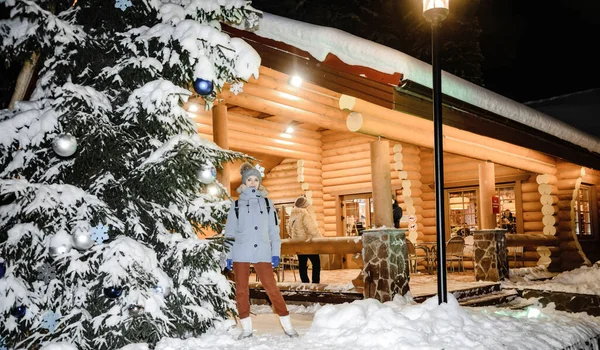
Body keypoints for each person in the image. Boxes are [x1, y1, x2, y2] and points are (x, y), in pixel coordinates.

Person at [224, 162, 298, 339]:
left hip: (263, 251)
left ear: (259, 182)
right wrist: (228, 254)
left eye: (255, 179)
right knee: (241, 290)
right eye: (249, 179)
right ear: (243, 181)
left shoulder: (267, 203)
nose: (252, 182)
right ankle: (247, 328)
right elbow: (230, 233)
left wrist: (275, 252)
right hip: (241, 252)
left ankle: (288, 326)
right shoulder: (235, 206)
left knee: (271, 288)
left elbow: (274, 230)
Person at [286, 196, 322, 284]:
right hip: (308, 243)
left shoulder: (292, 215)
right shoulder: (304, 213)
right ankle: (315, 283)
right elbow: (312, 229)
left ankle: (305, 283)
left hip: (298, 244)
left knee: (302, 264)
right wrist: (320, 239)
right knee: (316, 263)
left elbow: (289, 230)